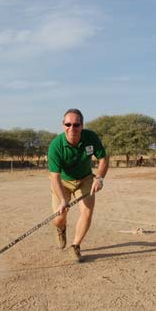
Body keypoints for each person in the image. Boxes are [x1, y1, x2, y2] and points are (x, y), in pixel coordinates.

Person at [47, 109, 109, 262]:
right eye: (68, 124)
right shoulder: (55, 146)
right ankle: (61, 228)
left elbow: (104, 159)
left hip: (85, 179)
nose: (72, 128)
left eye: (76, 124)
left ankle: (75, 246)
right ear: (63, 125)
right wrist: (63, 200)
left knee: (87, 211)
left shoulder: (91, 137)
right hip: (63, 182)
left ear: (82, 125)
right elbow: (54, 177)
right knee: (59, 217)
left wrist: (99, 178)